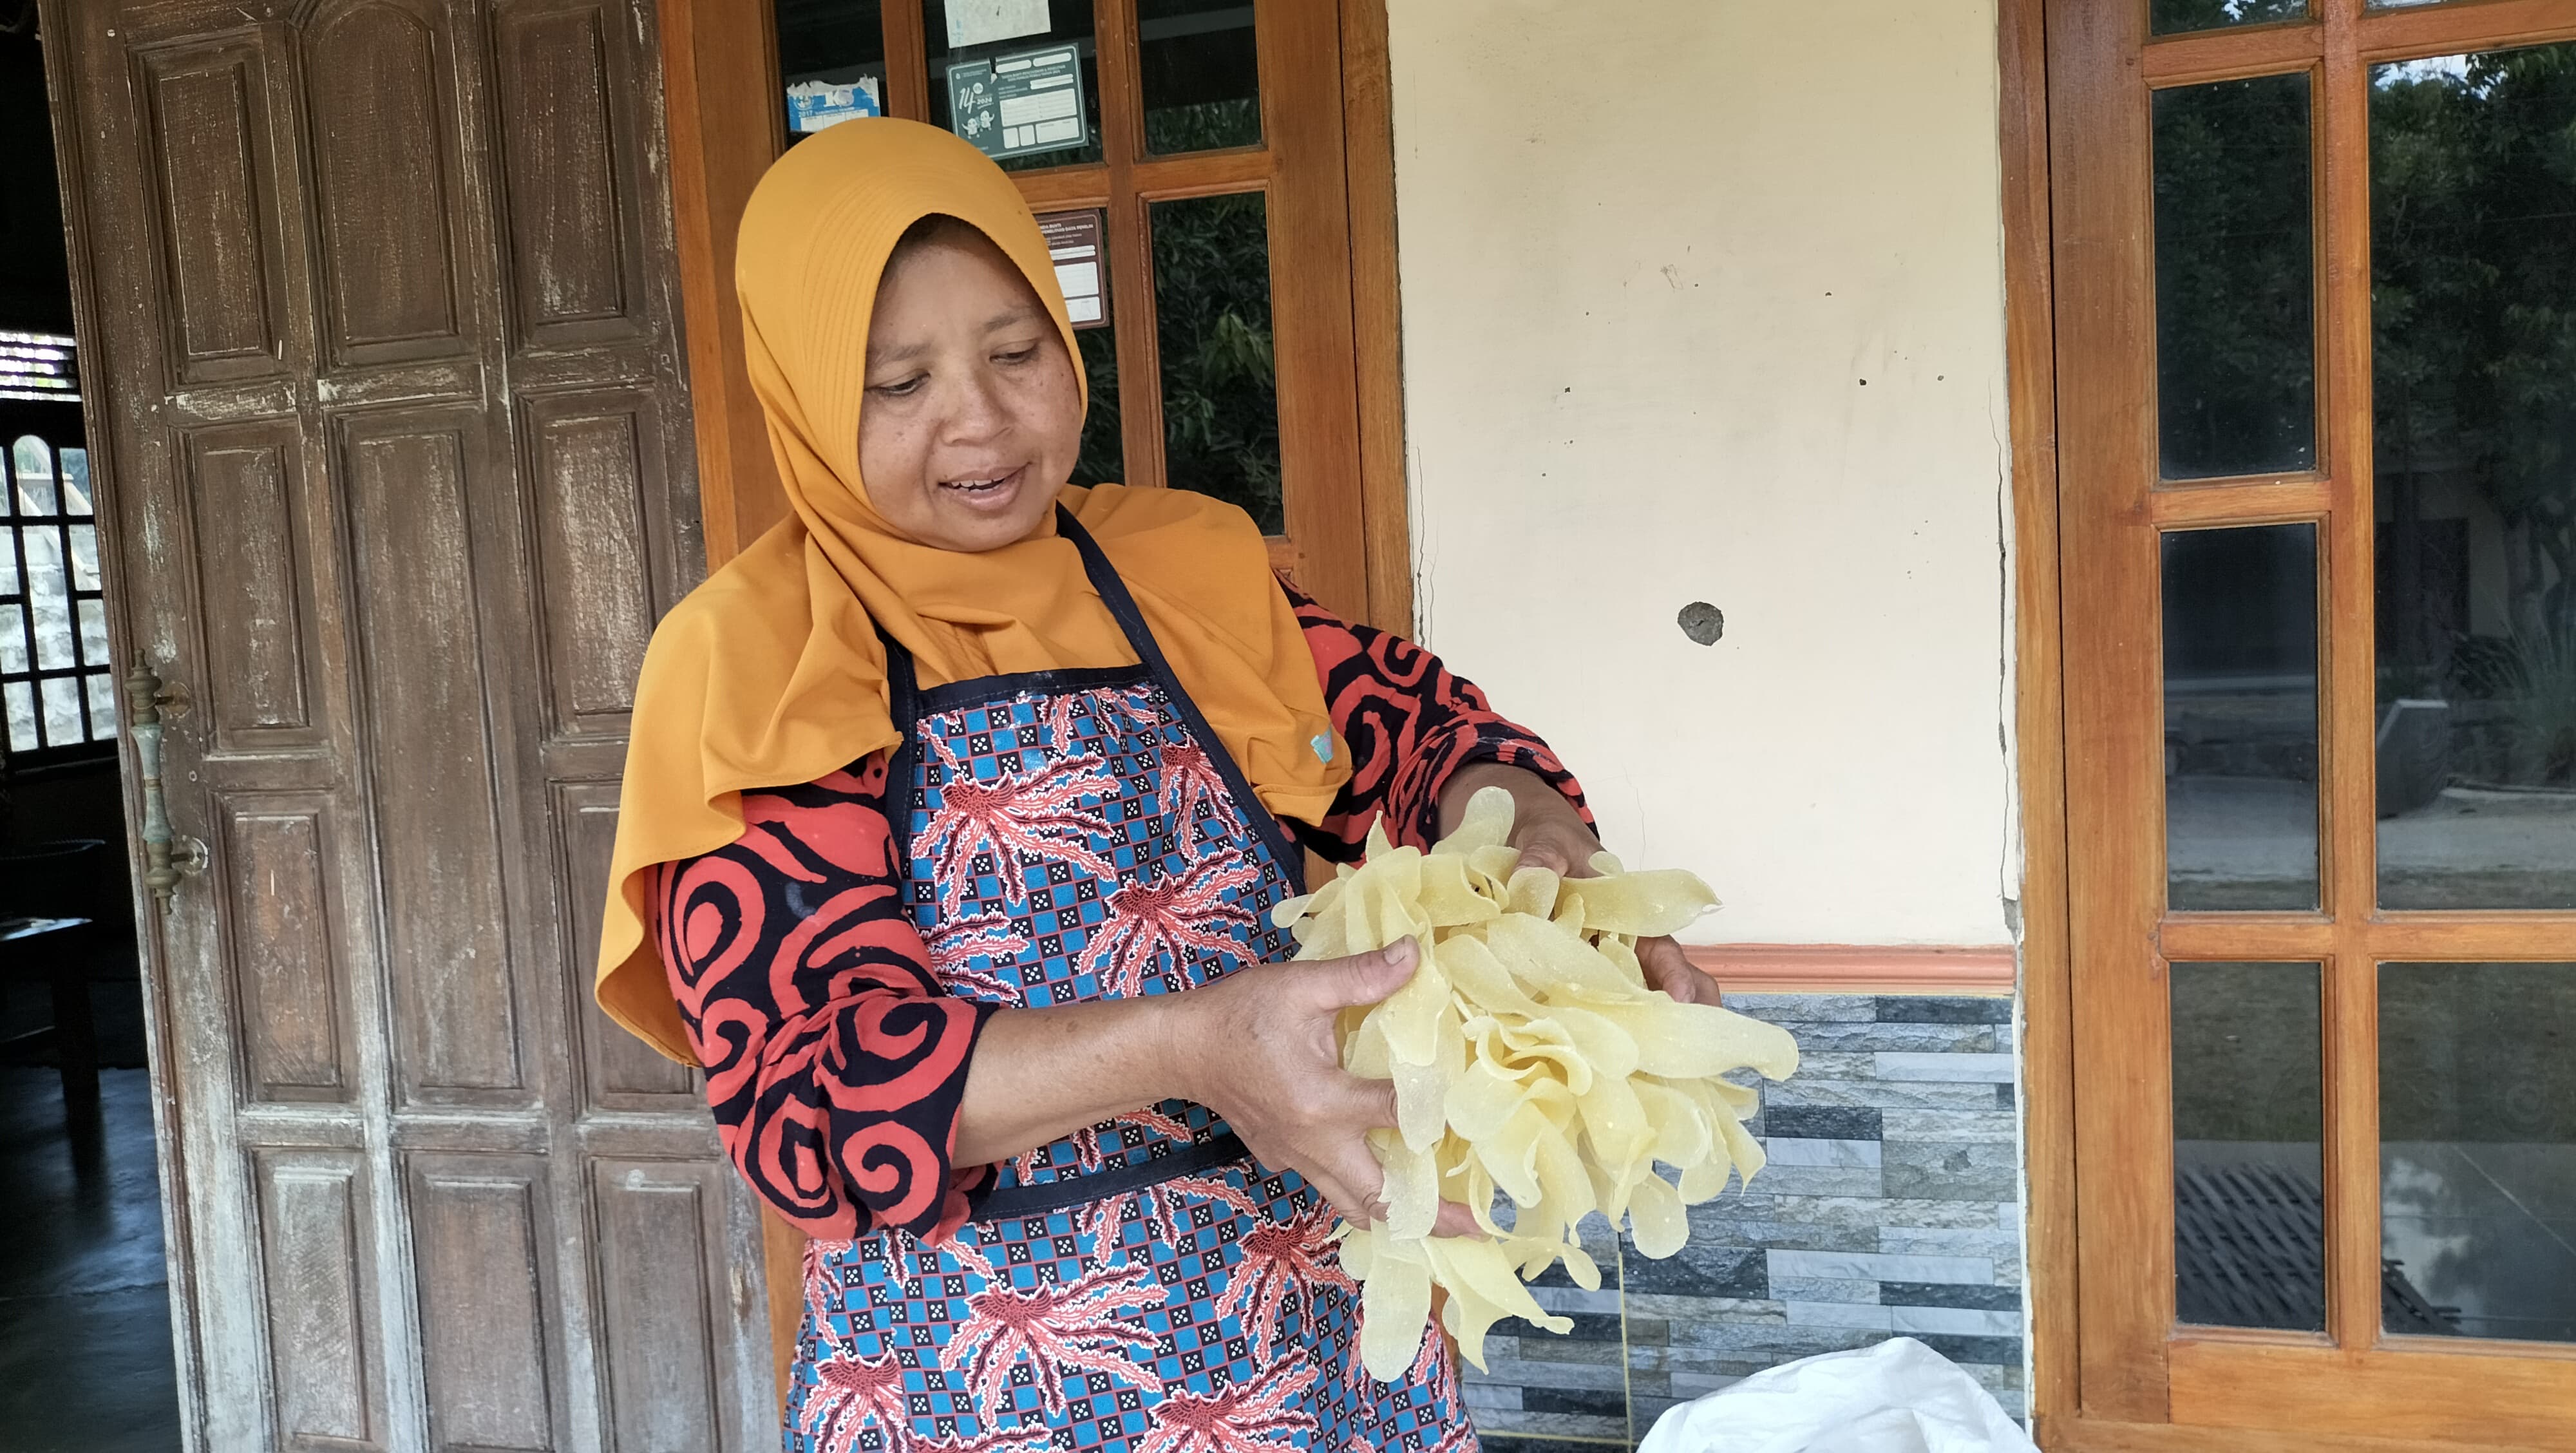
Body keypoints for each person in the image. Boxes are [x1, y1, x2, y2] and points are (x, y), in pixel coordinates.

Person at [592, 118, 1721, 1453]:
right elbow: (810, 1104)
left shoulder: (1186, 569)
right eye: (897, 382)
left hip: (1321, 1338)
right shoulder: (755, 658)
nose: (982, 418)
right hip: (992, 1379)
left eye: (1017, 352)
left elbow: (1413, 737)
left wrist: (1538, 843)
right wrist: (1192, 1048)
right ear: (796, 394)